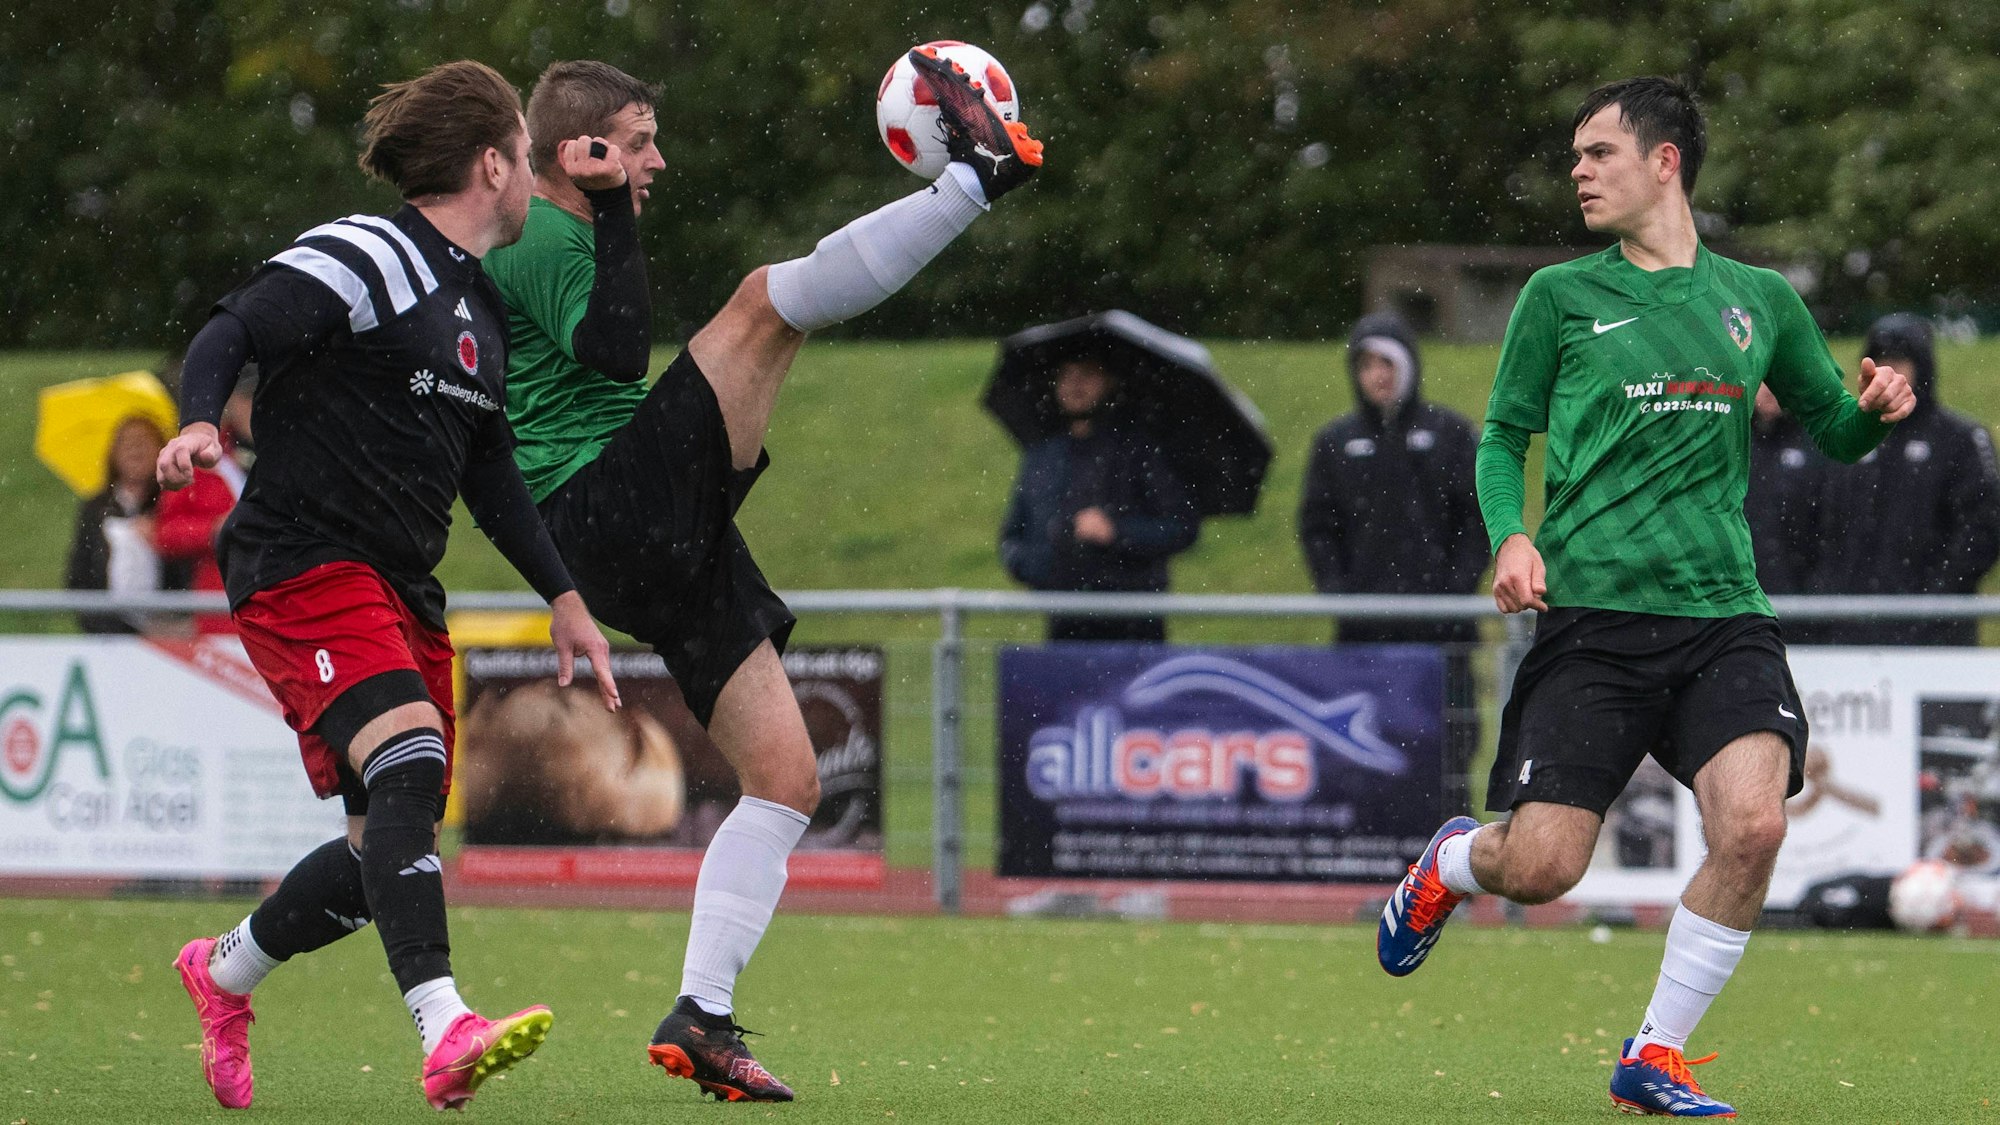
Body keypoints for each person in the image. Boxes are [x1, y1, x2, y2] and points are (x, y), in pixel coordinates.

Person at [481, 55, 1041, 1102]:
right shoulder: (541, 231)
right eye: (637, 142)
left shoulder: (559, 228)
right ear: (578, 154)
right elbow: (609, 358)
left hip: (637, 533)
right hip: (604, 506)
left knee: (786, 782)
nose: (656, 160)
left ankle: (702, 1014)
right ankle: (970, 182)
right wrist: (610, 214)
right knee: (760, 306)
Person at [1374, 77, 1915, 1119]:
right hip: (1593, 626)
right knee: (1540, 869)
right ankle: (1452, 860)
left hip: (1722, 617)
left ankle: (1652, 1054)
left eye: (1596, 153)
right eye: (1574, 155)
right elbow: (1500, 438)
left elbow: (1833, 435)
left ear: (1663, 163)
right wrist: (1513, 534)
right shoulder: (1558, 298)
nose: (1576, 171)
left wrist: (1873, 409)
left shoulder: (1758, 300)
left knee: (1753, 828)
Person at [158, 60, 620, 1113]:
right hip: (303, 558)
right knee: (409, 758)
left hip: (400, 587)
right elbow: (237, 327)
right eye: (523, 150)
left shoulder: (484, 309)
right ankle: (445, 1024)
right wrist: (197, 415)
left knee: (382, 853)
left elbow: (488, 472)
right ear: (494, 161)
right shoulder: (369, 251)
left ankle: (223, 970)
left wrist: (563, 595)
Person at [1298, 311, 1485, 805]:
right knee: (1366, 755)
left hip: (1443, 638)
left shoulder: (1450, 433)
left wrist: (1454, 593)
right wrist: (1340, 595)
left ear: (1408, 364)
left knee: (1449, 757)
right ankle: (1373, 872)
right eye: (1365, 364)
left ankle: (1450, 872)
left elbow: (1479, 520)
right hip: (1365, 637)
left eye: (1387, 361)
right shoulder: (1335, 441)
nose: (1377, 374)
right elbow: (1316, 528)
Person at [1801, 314, 2000, 645]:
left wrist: (1934, 602)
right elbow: (1810, 525)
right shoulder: (1844, 437)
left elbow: (1983, 529)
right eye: (1880, 360)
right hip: (1846, 635)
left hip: (1936, 638)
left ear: (1922, 366)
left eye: (1900, 360)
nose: (1889, 371)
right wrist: (1825, 595)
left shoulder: (1960, 439)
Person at [999, 357, 1199, 642]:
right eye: (1066, 375)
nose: (1075, 384)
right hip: (1064, 627)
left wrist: (1117, 531)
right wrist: (1052, 560)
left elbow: (1182, 527)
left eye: (1088, 374)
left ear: (1111, 382)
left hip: (1134, 627)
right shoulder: (1042, 457)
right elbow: (1013, 541)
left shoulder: (1140, 451)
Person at [154, 377, 254, 634]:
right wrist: (214, 530)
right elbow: (166, 534)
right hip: (223, 613)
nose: (255, 405)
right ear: (229, 402)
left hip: (292, 604)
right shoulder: (203, 456)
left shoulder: (297, 452)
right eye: (247, 397)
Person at [65, 414, 182, 634]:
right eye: (127, 442)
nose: (135, 449)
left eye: (145, 441)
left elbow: (186, 569)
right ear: (113, 453)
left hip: (167, 635)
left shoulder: (174, 502)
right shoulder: (95, 509)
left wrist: (161, 536)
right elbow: (79, 575)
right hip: (108, 636)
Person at [1743, 383, 1826, 599]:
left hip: (1802, 600)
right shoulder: (1732, 442)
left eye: (1776, 379)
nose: (1770, 389)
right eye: (1764, 379)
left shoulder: (1817, 444)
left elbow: (1831, 527)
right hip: (1739, 601)